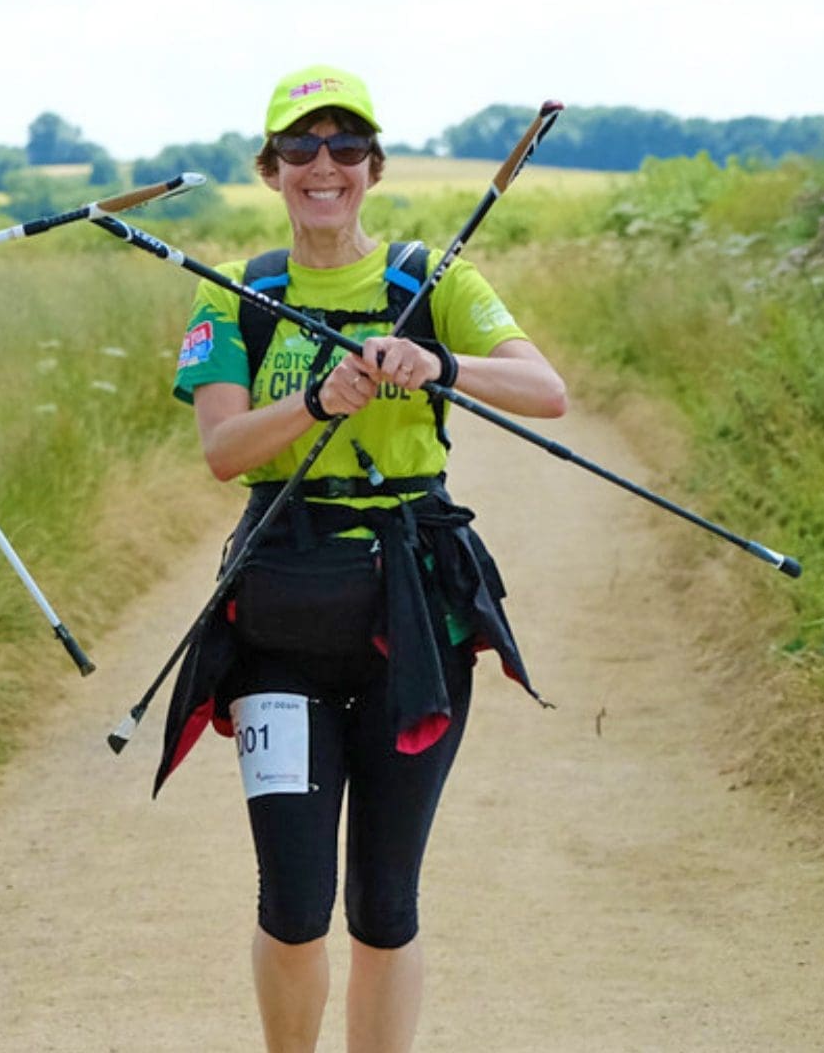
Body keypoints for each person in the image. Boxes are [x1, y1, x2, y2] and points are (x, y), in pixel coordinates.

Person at [155, 64, 569, 1053]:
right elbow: (222, 452)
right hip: (280, 630)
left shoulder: (434, 282)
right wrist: (313, 404)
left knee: (384, 905)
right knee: (296, 904)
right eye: (300, 148)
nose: (323, 166)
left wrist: (440, 364)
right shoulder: (240, 301)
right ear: (272, 170)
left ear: (373, 165)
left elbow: (546, 391)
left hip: (412, 622)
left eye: (345, 147)